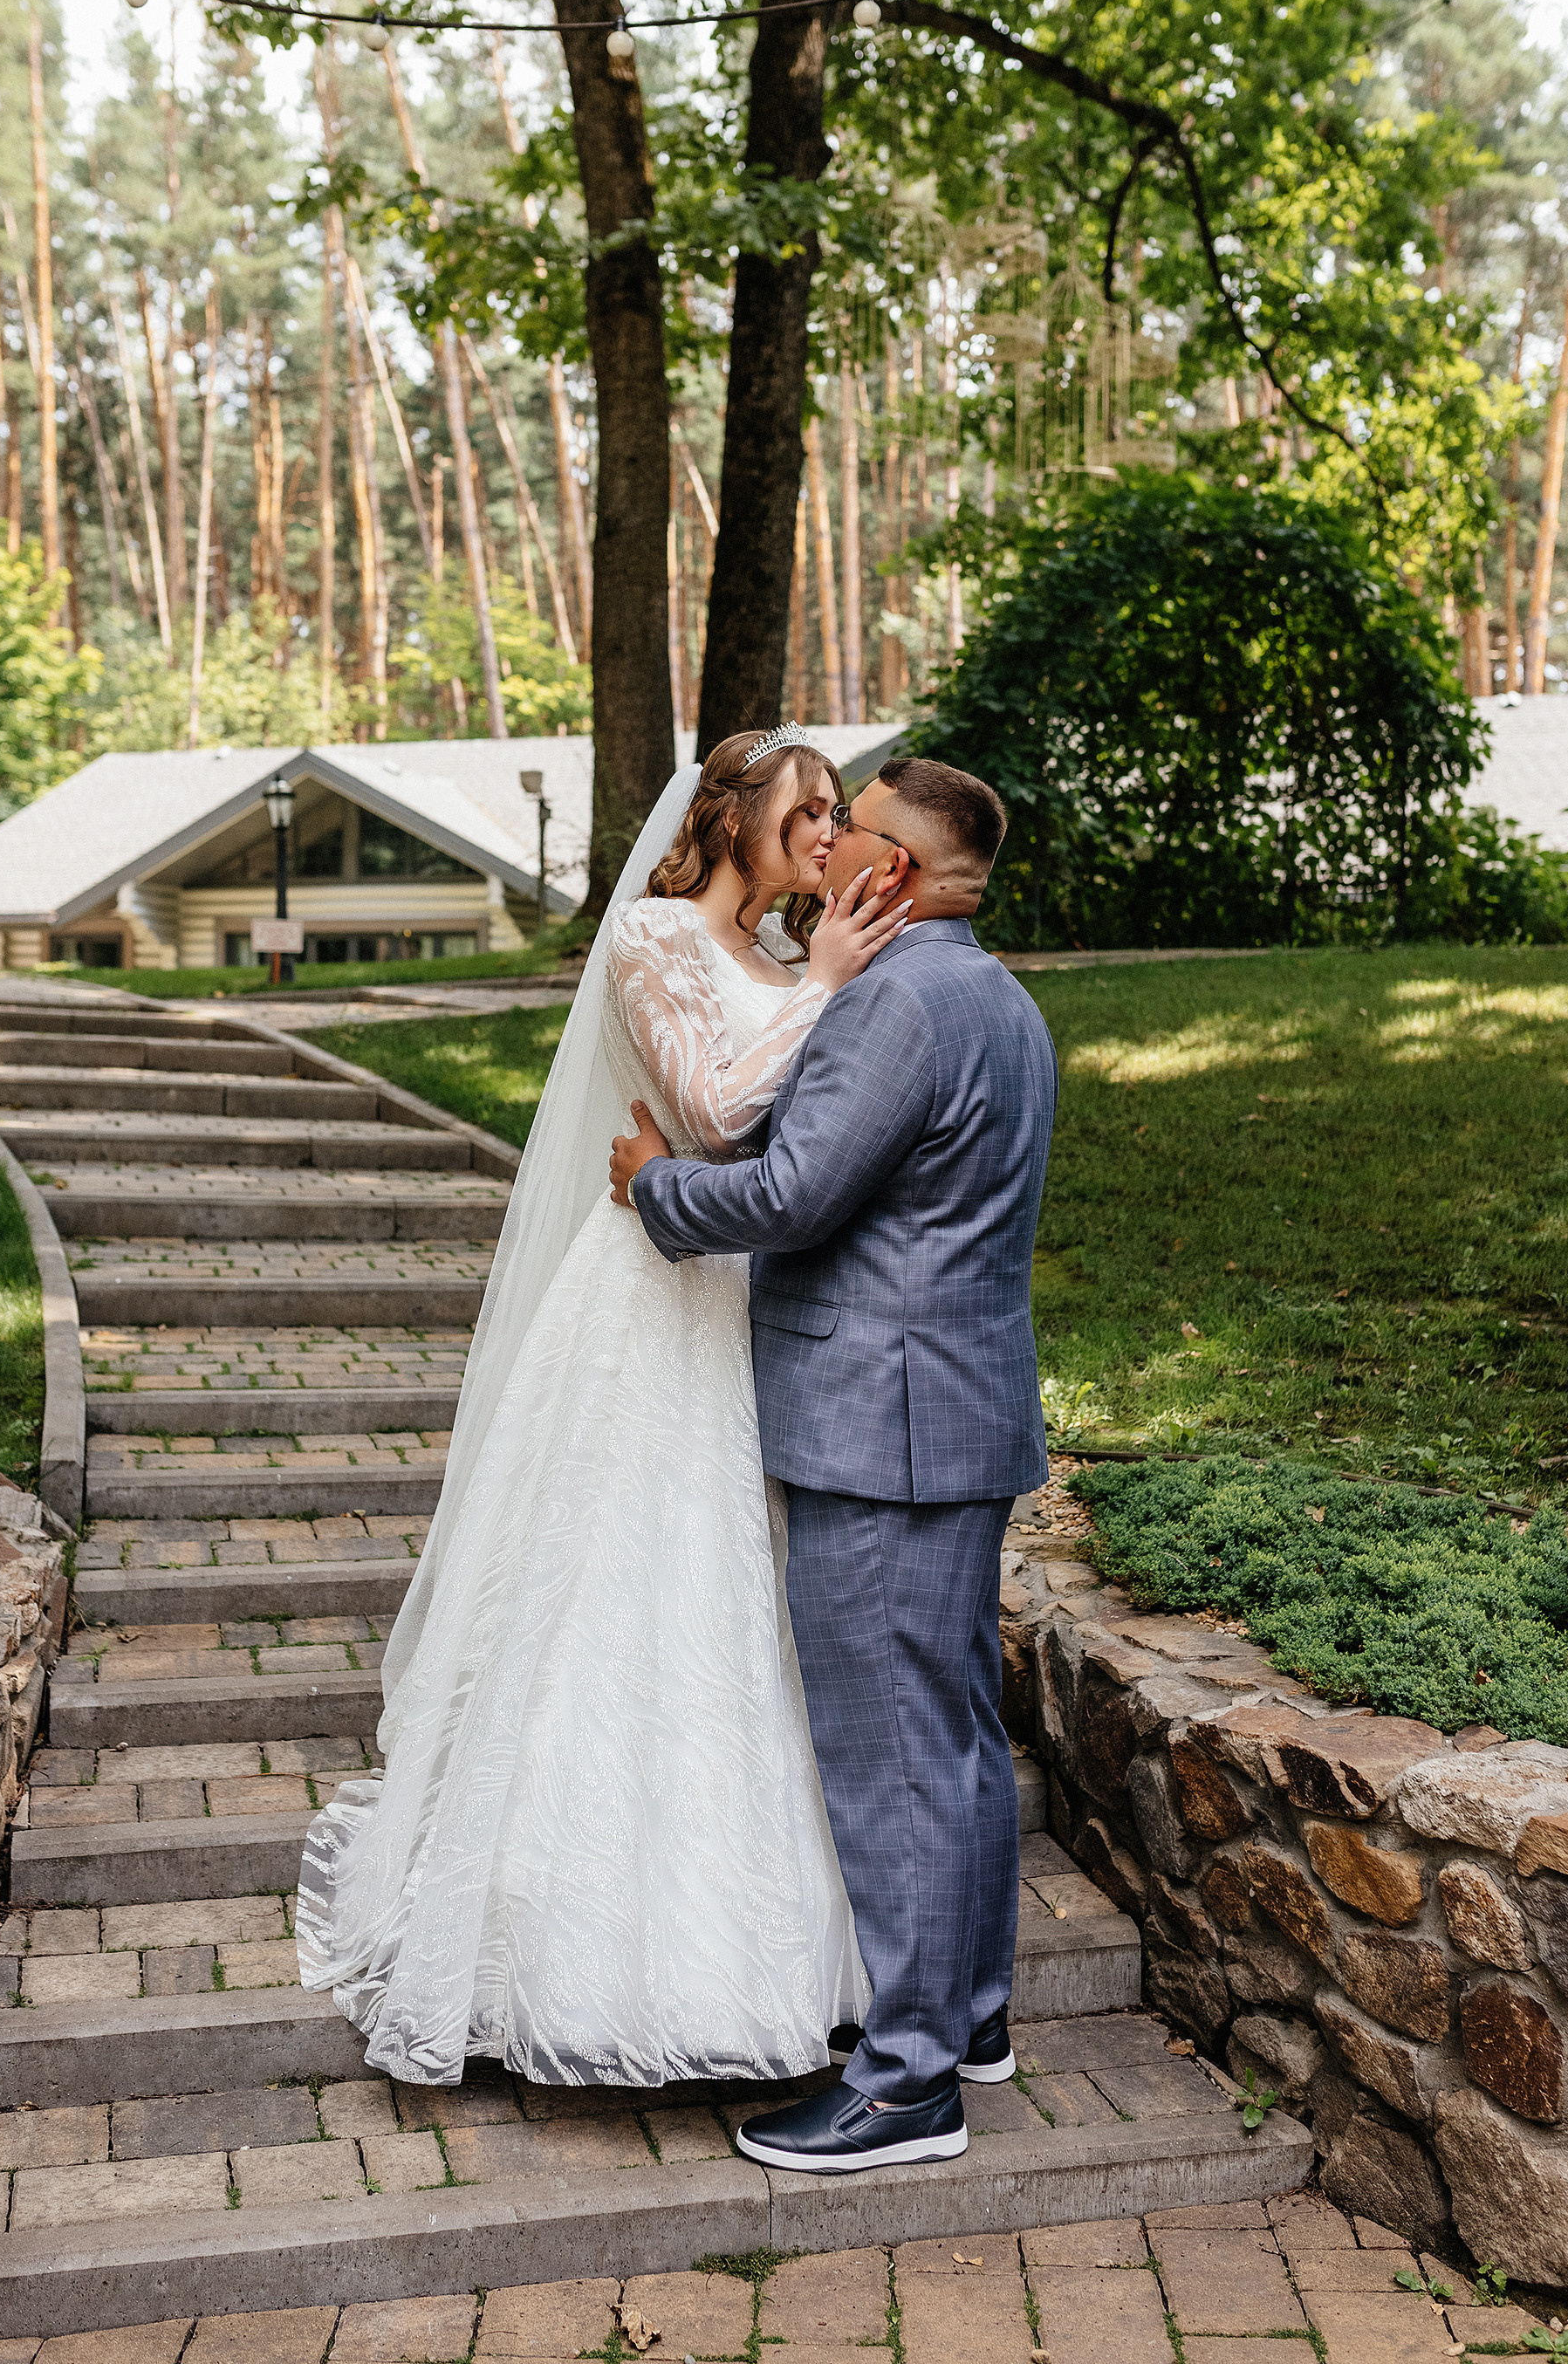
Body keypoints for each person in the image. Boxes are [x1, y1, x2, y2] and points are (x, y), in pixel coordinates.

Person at [294, 729, 906, 2090]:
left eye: (835, 816)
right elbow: (713, 1108)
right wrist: (823, 986)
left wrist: (814, 979)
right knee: (617, 1591)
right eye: (807, 813)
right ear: (732, 817)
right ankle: (557, 1945)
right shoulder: (653, 938)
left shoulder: (784, 961)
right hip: (647, 1309)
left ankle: (765, 1945)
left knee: (733, 1606)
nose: (827, 835)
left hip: (751, 1305)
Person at [610, 754, 1057, 2174]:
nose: (824, 844)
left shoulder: (895, 1006)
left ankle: (909, 2084)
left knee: (894, 1758)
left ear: (897, 875)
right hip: (957, 1416)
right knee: (960, 1737)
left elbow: (793, 1196)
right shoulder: (1000, 999)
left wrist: (652, 1189)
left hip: (884, 1429)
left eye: (848, 828)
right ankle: (971, 2016)